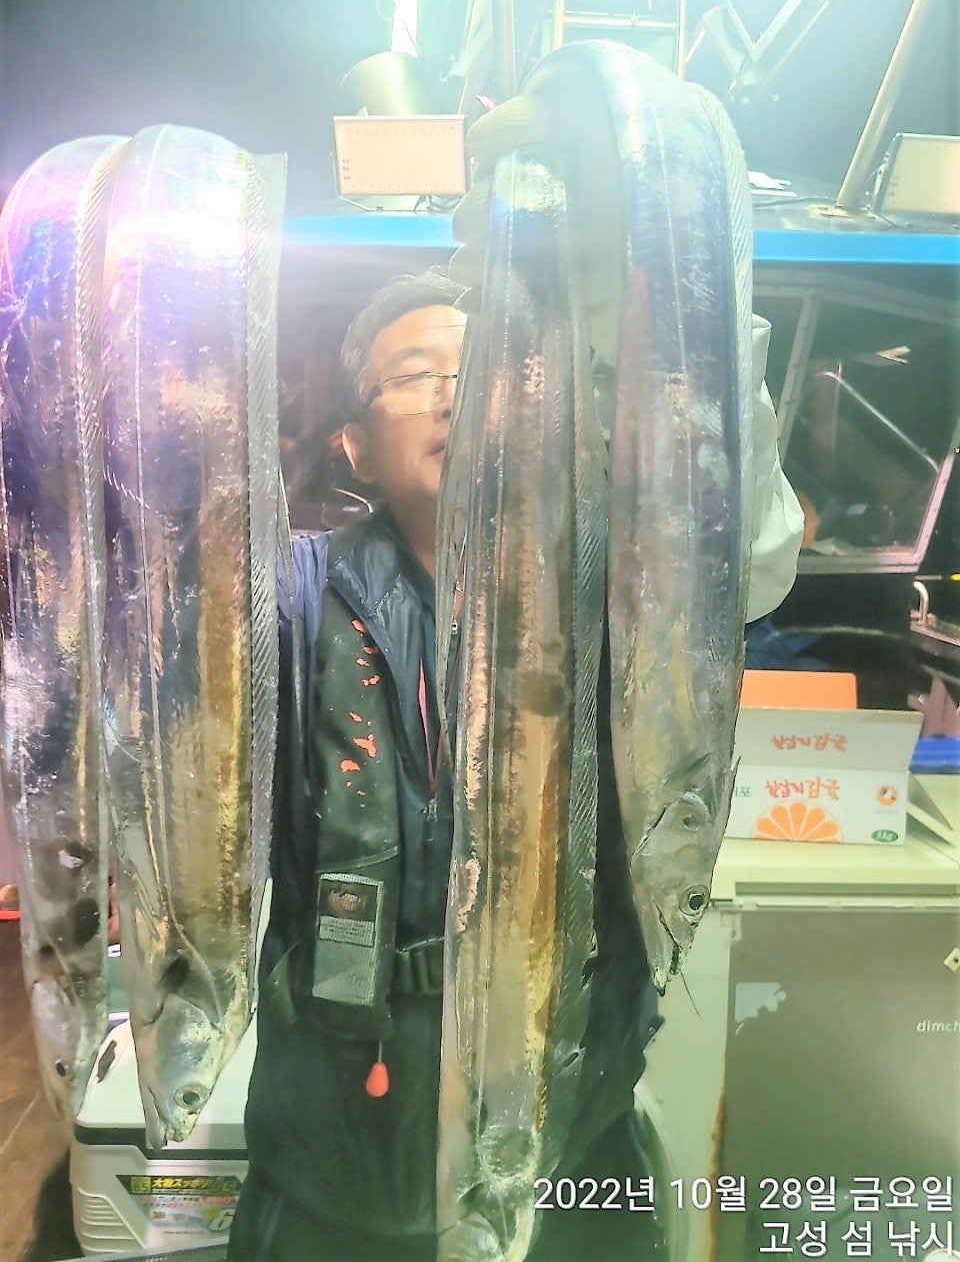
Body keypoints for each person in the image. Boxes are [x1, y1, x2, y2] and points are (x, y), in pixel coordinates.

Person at [227, 80, 804, 1262]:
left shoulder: (616, 576)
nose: (458, 388)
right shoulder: (290, 595)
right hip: (333, 1168)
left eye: (482, 360)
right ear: (353, 442)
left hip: (572, 1152)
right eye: (415, 372)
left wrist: (639, 289)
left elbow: (745, 553)